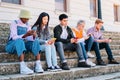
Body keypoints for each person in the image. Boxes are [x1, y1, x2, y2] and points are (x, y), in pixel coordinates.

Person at [5, 9, 44, 74]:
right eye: (25, 18)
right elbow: (14, 37)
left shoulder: (27, 24)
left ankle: (38, 65)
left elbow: (29, 39)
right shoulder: (14, 23)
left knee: (36, 41)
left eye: (28, 19)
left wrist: (33, 35)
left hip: (23, 45)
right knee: (20, 41)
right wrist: (25, 35)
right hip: (12, 45)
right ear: (21, 17)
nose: (27, 20)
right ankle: (22, 67)